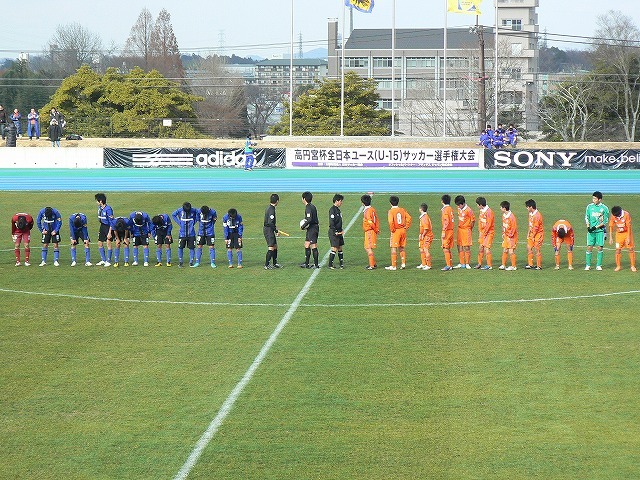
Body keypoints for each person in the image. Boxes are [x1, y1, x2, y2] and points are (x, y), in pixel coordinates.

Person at [385, 195, 412, 270]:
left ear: (390, 203)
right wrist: (407, 226)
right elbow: (409, 218)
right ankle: (403, 264)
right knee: (402, 247)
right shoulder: (402, 210)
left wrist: (392, 229)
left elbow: (391, 221)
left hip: (396, 231)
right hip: (403, 230)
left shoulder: (391, 211)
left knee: (393, 247)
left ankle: (393, 266)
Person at [585, 191, 609, 271]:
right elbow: (586, 217)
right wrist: (588, 226)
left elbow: (605, 221)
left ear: (600, 199)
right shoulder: (589, 207)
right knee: (589, 247)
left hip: (600, 231)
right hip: (591, 231)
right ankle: (588, 265)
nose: (593, 200)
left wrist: (596, 227)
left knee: (599, 247)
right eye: (593, 198)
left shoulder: (604, 208)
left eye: (595, 198)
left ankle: (598, 265)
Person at [609, 206, 637, 272]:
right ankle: (618, 266)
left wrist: (628, 237)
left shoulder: (626, 214)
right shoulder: (613, 215)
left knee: (631, 249)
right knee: (618, 250)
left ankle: (632, 266)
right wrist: (610, 237)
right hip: (619, 234)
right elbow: (611, 225)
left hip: (627, 233)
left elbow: (629, 226)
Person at [172, 202, 198, 267]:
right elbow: (173, 215)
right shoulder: (179, 210)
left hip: (191, 234)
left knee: (192, 248)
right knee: (180, 247)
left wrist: (194, 221)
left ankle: (191, 261)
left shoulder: (193, 210)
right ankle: (180, 261)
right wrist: (179, 222)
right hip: (182, 234)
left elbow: (198, 213)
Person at [454, 195, 475, 269]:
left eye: (459, 205)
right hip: (460, 230)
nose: (458, 207)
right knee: (459, 246)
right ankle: (461, 263)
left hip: (466, 230)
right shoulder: (459, 208)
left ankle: (467, 263)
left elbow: (473, 220)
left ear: (462, 204)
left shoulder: (469, 210)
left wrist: (469, 228)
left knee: (466, 247)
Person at [300, 191, 320, 269]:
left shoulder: (308, 207)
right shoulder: (313, 206)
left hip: (312, 228)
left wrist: (303, 226)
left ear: (304, 199)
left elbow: (309, 219)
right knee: (306, 244)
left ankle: (316, 265)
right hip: (311, 228)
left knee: (313, 245)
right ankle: (307, 263)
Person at [475, 197, 495, 270]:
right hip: (483, 232)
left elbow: (489, 224)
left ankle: (489, 265)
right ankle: (479, 264)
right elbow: (480, 222)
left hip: (489, 233)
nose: (477, 206)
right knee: (480, 247)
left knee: (487, 248)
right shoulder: (481, 210)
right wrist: (480, 231)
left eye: (477, 204)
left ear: (480, 205)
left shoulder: (489, 212)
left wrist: (484, 233)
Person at [361, 194, 380, 270]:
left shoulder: (367, 211)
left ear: (362, 203)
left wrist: (375, 230)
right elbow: (377, 220)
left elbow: (370, 222)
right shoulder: (372, 209)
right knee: (367, 247)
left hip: (369, 231)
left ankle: (372, 265)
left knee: (368, 247)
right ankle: (373, 263)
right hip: (371, 230)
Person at [95, 193, 114, 266]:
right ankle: (103, 259)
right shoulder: (100, 208)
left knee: (108, 243)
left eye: (97, 200)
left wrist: (109, 232)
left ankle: (108, 261)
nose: (96, 202)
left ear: (101, 201)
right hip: (102, 226)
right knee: (100, 243)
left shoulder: (108, 209)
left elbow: (111, 222)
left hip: (108, 227)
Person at [263, 193, 282, 269]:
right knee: (271, 247)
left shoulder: (269, 208)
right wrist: (276, 230)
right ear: (277, 201)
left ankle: (275, 263)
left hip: (269, 229)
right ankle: (266, 265)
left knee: (275, 246)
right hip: (268, 230)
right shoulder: (271, 210)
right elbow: (270, 222)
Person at [525, 199, 544, 270]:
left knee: (537, 249)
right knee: (529, 247)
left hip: (538, 234)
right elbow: (530, 225)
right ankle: (530, 264)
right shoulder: (530, 214)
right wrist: (528, 233)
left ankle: (539, 266)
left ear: (531, 207)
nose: (527, 208)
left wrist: (532, 236)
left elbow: (536, 227)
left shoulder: (538, 215)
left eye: (527, 207)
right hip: (532, 233)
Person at [499, 200, 518, 271]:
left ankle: (514, 266)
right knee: (505, 250)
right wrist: (503, 233)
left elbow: (514, 227)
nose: (500, 209)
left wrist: (510, 235)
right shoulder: (504, 215)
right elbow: (504, 225)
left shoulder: (511, 217)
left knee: (511, 251)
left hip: (512, 236)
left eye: (501, 207)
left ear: (504, 208)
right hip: (506, 236)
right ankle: (503, 265)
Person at [328, 194, 345, 269]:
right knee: (334, 248)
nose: (341, 203)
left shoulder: (338, 209)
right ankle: (330, 265)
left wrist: (341, 230)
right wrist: (335, 232)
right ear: (336, 201)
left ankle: (341, 264)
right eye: (341, 201)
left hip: (339, 231)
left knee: (340, 247)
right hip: (334, 232)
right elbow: (331, 222)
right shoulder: (332, 210)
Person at [417, 203, 433, 270]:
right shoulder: (423, 216)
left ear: (421, 209)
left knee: (426, 250)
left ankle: (428, 265)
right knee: (421, 249)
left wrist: (423, 235)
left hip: (427, 236)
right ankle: (423, 263)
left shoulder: (424, 217)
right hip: (423, 235)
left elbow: (426, 228)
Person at [440, 194, 455, 271]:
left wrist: (443, 231)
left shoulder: (445, 209)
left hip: (447, 231)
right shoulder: (450, 208)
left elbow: (446, 220)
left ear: (442, 201)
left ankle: (448, 265)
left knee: (445, 248)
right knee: (448, 248)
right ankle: (450, 265)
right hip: (451, 230)